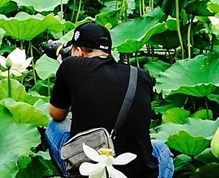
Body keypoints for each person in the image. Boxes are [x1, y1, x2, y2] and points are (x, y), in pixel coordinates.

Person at [46, 22, 174, 178]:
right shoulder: (140, 75)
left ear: (78, 52)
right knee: (160, 147)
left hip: (90, 167)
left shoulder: (71, 65)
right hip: (140, 172)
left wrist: (69, 84)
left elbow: (56, 114)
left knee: (55, 126)